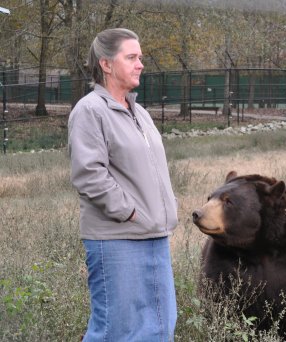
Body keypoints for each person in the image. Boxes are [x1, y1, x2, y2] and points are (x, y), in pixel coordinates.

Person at [68, 28, 178, 341]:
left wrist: (162, 210)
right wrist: (128, 211)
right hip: (116, 239)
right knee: (114, 330)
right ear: (106, 64)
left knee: (158, 328)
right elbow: (89, 174)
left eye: (140, 57)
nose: (140, 64)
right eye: (131, 57)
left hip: (154, 235)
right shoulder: (90, 111)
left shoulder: (139, 112)